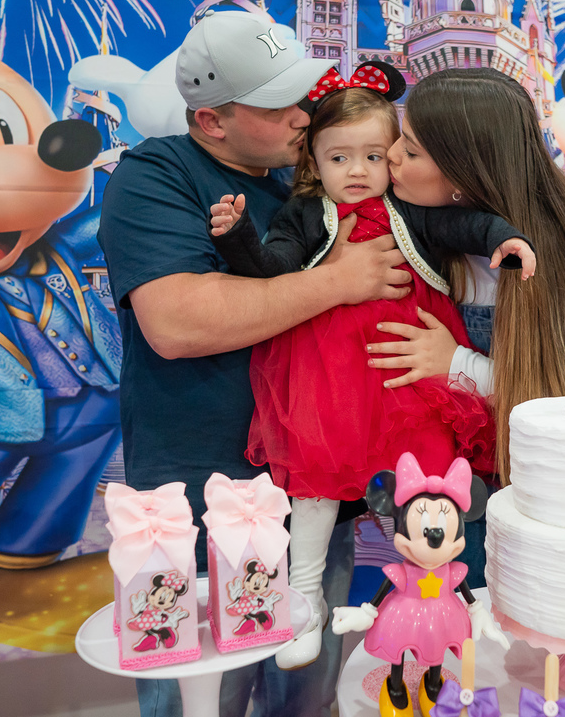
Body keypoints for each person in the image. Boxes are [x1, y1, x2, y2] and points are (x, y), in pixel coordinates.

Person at [98, 10, 408, 717]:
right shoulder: (157, 175)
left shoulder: (314, 182)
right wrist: (335, 281)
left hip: (310, 495)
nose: (306, 115)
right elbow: (176, 320)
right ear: (211, 120)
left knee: (304, 689)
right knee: (200, 697)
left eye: (304, 93)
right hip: (194, 511)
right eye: (279, 105)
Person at [207, 63, 535, 669]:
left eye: (375, 156)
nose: (357, 172)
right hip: (326, 379)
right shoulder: (304, 215)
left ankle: (444, 601)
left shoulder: (414, 212)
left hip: (410, 376)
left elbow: (468, 223)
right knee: (313, 491)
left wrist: (505, 238)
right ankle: (301, 603)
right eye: (338, 159)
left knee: (433, 481)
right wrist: (237, 241)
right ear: (312, 165)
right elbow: (273, 266)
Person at [369, 68, 565, 584]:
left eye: (411, 151)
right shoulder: (414, 223)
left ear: (464, 179)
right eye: (398, 138)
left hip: (514, 487)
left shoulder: (550, 258)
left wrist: (454, 363)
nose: (390, 156)